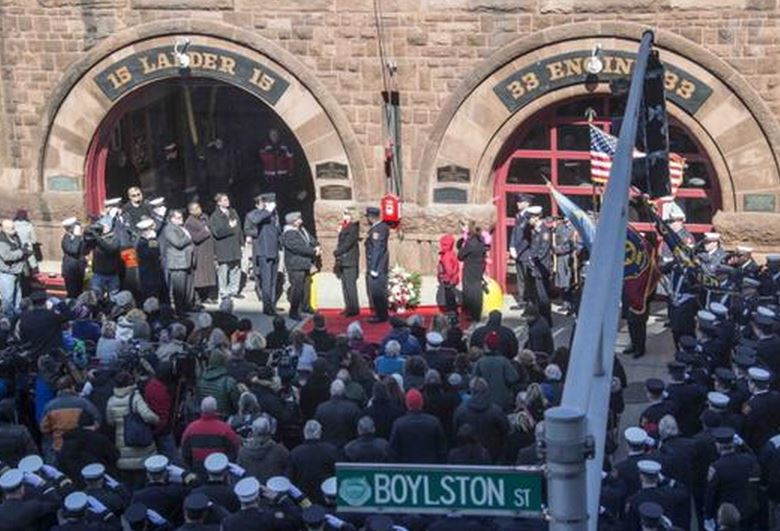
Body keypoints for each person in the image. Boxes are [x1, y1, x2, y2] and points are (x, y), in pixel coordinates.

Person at [105, 371, 160, 488]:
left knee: (128, 484)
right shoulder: (135, 397)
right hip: (140, 446)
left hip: (123, 447)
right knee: (142, 482)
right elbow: (148, 416)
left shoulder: (111, 400)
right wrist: (156, 419)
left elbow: (110, 422)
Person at [40, 375, 101, 463]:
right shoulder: (83, 403)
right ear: (72, 387)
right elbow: (97, 419)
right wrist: (89, 430)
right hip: (81, 445)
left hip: (59, 446)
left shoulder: (50, 406)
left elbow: (44, 429)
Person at [453, 377, 510, 463]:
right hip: (493, 458)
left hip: (465, 459)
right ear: (486, 391)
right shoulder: (496, 411)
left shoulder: (460, 411)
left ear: (471, 391)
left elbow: (454, 431)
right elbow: (506, 432)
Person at [180, 397, 241, 476]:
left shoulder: (191, 429)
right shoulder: (225, 429)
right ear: (216, 409)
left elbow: (185, 452)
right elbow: (235, 448)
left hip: (197, 471)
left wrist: (191, 468)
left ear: (201, 409)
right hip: (219, 471)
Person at [244, 193, 281, 316]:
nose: (274, 205)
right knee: (266, 280)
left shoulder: (274, 214)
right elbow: (254, 220)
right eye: (272, 203)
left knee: (273, 280)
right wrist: (267, 210)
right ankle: (267, 306)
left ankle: (272, 303)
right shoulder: (258, 214)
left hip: (274, 250)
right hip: (264, 251)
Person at [388, 389, 447, 464]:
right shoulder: (434, 422)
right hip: (430, 468)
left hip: (406, 469)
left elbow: (393, 452)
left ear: (407, 404)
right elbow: (442, 450)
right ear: (422, 403)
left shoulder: (398, 424)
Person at [286, 420, 339, 504]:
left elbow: (289, 480)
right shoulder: (331, 450)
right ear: (320, 433)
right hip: (326, 499)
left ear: (304, 433)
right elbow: (338, 475)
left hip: (304, 501)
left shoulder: (295, 453)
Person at [281, 211, 320, 321]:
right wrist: (313, 251)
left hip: (305, 263)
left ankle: (306, 306)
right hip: (295, 265)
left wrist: (317, 245)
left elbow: (311, 240)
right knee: (297, 289)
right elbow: (298, 248)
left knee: (306, 286)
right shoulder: (289, 234)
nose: (301, 221)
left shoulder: (302, 230)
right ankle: (294, 311)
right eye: (299, 219)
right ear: (293, 222)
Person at [472, 331, 520, 411]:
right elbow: (513, 378)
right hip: (502, 402)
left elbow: (473, 381)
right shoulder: (504, 361)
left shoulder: (480, 362)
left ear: (485, 345)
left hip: (484, 402)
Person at [209, 193, 243, 302]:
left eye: (227, 199)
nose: (227, 201)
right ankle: (223, 291)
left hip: (235, 245)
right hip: (223, 247)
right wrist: (230, 227)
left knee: (236, 268)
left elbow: (239, 228)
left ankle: (233, 290)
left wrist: (241, 243)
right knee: (223, 270)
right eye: (224, 200)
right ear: (219, 203)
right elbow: (217, 232)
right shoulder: (214, 216)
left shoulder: (233, 212)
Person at [237, 417, 289, 483]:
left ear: (253, 431)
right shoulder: (281, 451)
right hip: (272, 490)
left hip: (252, 488)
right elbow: (289, 471)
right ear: (269, 431)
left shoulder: (242, 452)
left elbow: (239, 473)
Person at [163, 209, 195, 314]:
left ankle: (188, 306)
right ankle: (179, 310)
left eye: (181, 217)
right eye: (178, 218)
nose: (181, 219)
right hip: (177, 263)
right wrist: (188, 237)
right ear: (172, 219)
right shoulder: (169, 229)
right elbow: (178, 243)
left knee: (188, 287)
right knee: (179, 289)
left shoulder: (181, 227)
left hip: (186, 260)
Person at [314, 379, 361, 449]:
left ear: (330, 391)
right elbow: (357, 431)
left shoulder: (321, 408)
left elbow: (317, 431)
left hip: (326, 449)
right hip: (347, 448)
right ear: (344, 391)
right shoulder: (353, 408)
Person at [184, 202, 217, 304]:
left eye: (198, 207)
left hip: (208, 251)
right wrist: (206, 232)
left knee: (208, 276)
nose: (198, 210)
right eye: (195, 209)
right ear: (190, 211)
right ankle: (198, 298)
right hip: (199, 252)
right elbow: (195, 238)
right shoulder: (189, 222)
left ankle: (207, 296)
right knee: (200, 277)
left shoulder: (204, 218)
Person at [457, 220, 486, 322]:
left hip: (470, 267)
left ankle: (473, 313)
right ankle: (477, 313)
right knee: (477, 289)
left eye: (464, 226)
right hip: (479, 266)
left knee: (470, 291)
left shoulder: (470, 242)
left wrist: (461, 247)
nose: (462, 229)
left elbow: (460, 256)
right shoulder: (480, 239)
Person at [0, 218, 30, 315]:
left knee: (18, 295)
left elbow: (18, 248)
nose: (15, 230)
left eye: (14, 228)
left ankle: (17, 314)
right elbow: (7, 256)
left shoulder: (15, 236)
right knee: (8, 298)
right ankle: (8, 318)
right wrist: (22, 252)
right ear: (4, 229)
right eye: (12, 228)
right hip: (7, 273)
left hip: (17, 271)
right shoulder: (1, 241)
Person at [365, 206, 389, 323]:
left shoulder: (377, 229)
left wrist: (373, 268)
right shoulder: (381, 227)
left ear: (371, 217)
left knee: (377, 292)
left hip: (377, 266)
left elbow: (377, 249)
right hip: (379, 265)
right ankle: (381, 314)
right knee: (378, 292)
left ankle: (381, 315)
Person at [334, 207, 360, 317]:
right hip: (343, 260)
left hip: (350, 260)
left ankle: (353, 309)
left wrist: (337, 252)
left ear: (352, 215)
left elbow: (348, 243)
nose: (344, 216)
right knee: (345, 285)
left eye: (346, 214)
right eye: (344, 214)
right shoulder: (346, 227)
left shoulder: (353, 227)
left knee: (350, 285)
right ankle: (348, 307)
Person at [509, 193, 533, 309]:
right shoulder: (518, 216)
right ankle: (522, 300)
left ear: (527, 203)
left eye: (520, 201)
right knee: (520, 278)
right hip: (518, 252)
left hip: (526, 252)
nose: (518, 204)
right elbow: (515, 233)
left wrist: (520, 250)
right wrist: (512, 246)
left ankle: (529, 301)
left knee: (528, 278)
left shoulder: (530, 216)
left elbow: (528, 238)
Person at [136, 218, 166, 303]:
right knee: (150, 297)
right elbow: (154, 253)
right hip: (148, 274)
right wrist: (152, 240)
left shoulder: (147, 241)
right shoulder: (142, 242)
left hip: (154, 272)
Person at [60, 217, 87, 298]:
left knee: (79, 293)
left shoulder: (79, 238)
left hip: (79, 270)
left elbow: (84, 250)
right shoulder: (66, 239)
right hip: (70, 272)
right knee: (73, 294)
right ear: (70, 228)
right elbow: (74, 250)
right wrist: (77, 237)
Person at [436, 233, 460, 314]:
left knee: (449, 298)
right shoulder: (451, 253)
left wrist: (445, 276)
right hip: (453, 278)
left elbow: (448, 269)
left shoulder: (446, 255)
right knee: (451, 297)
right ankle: (453, 312)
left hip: (448, 279)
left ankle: (452, 313)